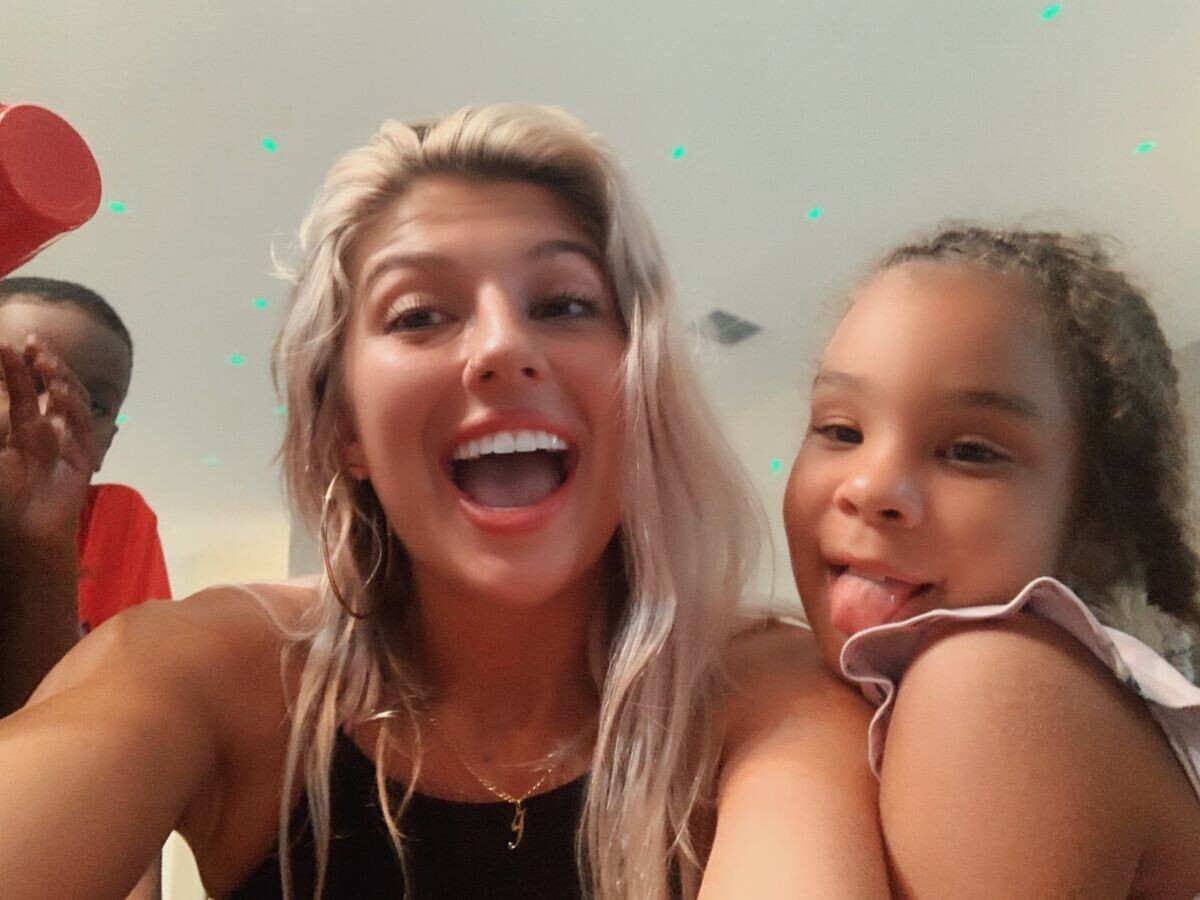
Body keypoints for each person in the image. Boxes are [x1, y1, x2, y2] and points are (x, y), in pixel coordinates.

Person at [0, 104, 886, 899]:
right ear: (345, 426)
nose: (500, 348)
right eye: (420, 315)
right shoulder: (210, 670)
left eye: (564, 304)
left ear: (640, 391)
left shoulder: (766, 696)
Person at [784, 225, 1200, 896]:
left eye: (970, 452)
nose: (869, 487)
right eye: (841, 430)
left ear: (1098, 529)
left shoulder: (986, 687)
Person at [0, 278, 171, 715]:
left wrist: (43, 544)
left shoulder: (118, 519)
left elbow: (103, 718)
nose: (51, 412)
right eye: (13, 380)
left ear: (106, 442)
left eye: (94, 405)